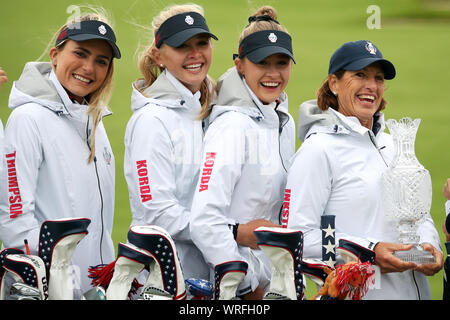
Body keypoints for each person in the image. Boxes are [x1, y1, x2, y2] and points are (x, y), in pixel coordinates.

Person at [284, 40, 443, 299]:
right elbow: (301, 237)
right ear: (333, 83)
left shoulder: (393, 145)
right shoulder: (318, 150)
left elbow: (419, 215)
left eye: (378, 78)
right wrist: (370, 251)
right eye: (360, 75)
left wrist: (429, 246)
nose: (371, 86)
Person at [0, 8, 121, 298]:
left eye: (100, 61)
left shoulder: (93, 121)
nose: (89, 68)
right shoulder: (29, 118)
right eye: (80, 53)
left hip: (95, 287)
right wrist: (58, 285)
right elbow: (14, 219)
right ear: (55, 55)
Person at [190, 6, 296, 299]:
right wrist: (249, 285)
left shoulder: (283, 121)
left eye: (282, 63)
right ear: (240, 65)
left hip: (275, 283)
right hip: (237, 288)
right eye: (262, 63)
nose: (273, 74)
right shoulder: (232, 126)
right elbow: (204, 220)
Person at [123, 4, 218, 284]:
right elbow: (157, 213)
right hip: (165, 281)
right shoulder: (151, 120)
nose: (195, 54)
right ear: (158, 55)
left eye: (201, 43)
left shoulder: (213, 109)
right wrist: (228, 231)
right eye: (181, 46)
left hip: (213, 275)